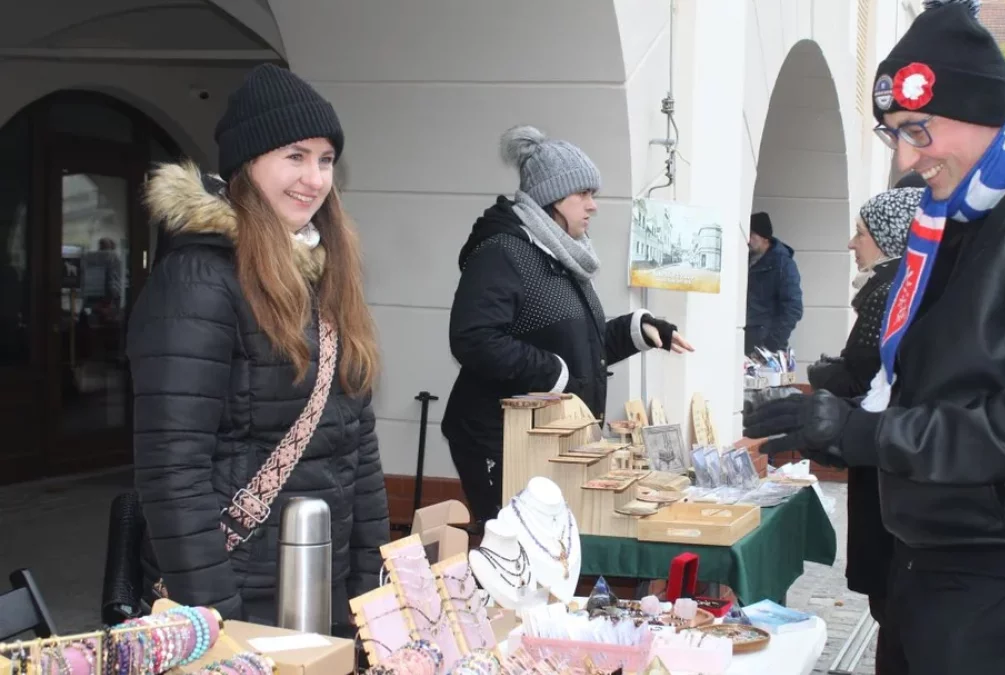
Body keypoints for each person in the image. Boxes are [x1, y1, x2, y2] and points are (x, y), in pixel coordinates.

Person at [743, 1, 1005, 673]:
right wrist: (821, 409)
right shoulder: (972, 203)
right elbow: (934, 367)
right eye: (893, 135)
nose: (906, 158)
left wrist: (862, 434)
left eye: (918, 129)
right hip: (949, 543)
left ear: (982, 109)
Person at [128, 63, 389, 627]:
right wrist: (218, 622)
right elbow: (173, 472)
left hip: (323, 586)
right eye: (294, 156)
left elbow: (358, 448)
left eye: (325, 160)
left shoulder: (325, 274)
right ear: (248, 164)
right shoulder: (198, 280)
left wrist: (370, 591)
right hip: (237, 600)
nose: (314, 179)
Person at [442, 126, 693, 527]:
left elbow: (578, 346)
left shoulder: (561, 257)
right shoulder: (502, 253)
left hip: (551, 440)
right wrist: (553, 373)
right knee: (521, 558)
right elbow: (473, 339)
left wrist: (639, 328)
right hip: (502, 440)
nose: (593, 206)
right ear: (552, 198)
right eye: (584, 194)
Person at [807, 187, 921, 675]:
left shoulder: (888, 292)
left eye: (861, 232)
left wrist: (819, 380)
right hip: (887, 461)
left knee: (893, 606)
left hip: (884, 467)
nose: (853, 244)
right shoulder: (894, 286)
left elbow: (862, 375)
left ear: (891, 237)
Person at [744, 212, 803, 355]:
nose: (748, 240)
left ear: (765, 238)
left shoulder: (783, 264)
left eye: (752, 235)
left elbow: (793, 308)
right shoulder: (746, 259)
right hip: (747, 340)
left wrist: (770, 344)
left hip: (766, 346)